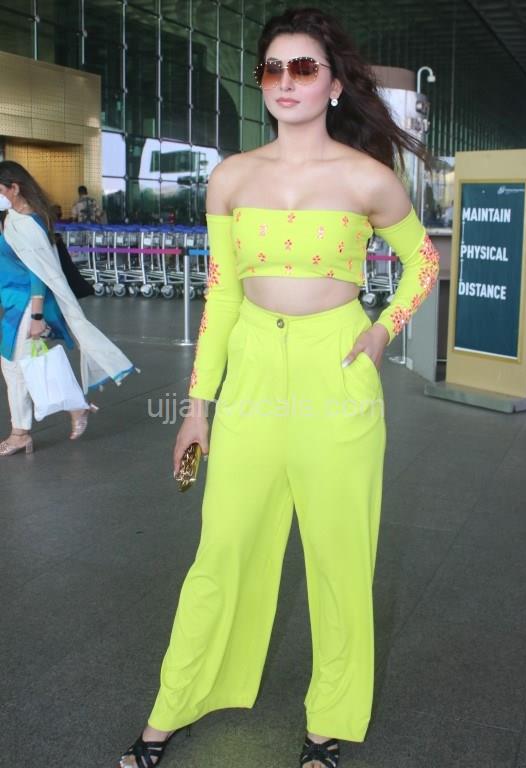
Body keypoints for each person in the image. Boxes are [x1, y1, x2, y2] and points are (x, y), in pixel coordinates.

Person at [119, 8, 439, 768]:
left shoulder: (368, 178)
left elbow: (424, 262)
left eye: (303, 68)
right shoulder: (231, 177)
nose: (286, 81)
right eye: (273, 68)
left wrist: (381, 332)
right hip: (254, 373)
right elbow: (222, 297)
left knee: (339, 557)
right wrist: (197, 410)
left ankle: (328, 722)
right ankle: (176, 704)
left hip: (337, 371)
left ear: (334, 84)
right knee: (222, 548)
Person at [0, 161, 137, 456]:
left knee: (14, 365)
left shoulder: (28, 222)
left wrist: (37, 316)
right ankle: (73, 407)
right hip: (12, 301)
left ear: (14, 188)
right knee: (18, 363)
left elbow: (39, 272)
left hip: (26, 303)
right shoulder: (11, 218)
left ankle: (21, 432)